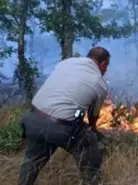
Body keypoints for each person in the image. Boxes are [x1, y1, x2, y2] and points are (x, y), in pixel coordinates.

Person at [17, 46, 110, 185]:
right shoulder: (99, 82)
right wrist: (93, 130)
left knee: (32, 161)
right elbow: (93, 116)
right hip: (60, 127)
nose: (105, 70)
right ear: (103, 64)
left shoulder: (65, 63)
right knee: (90, 154)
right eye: (106, 67)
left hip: (32, 119)